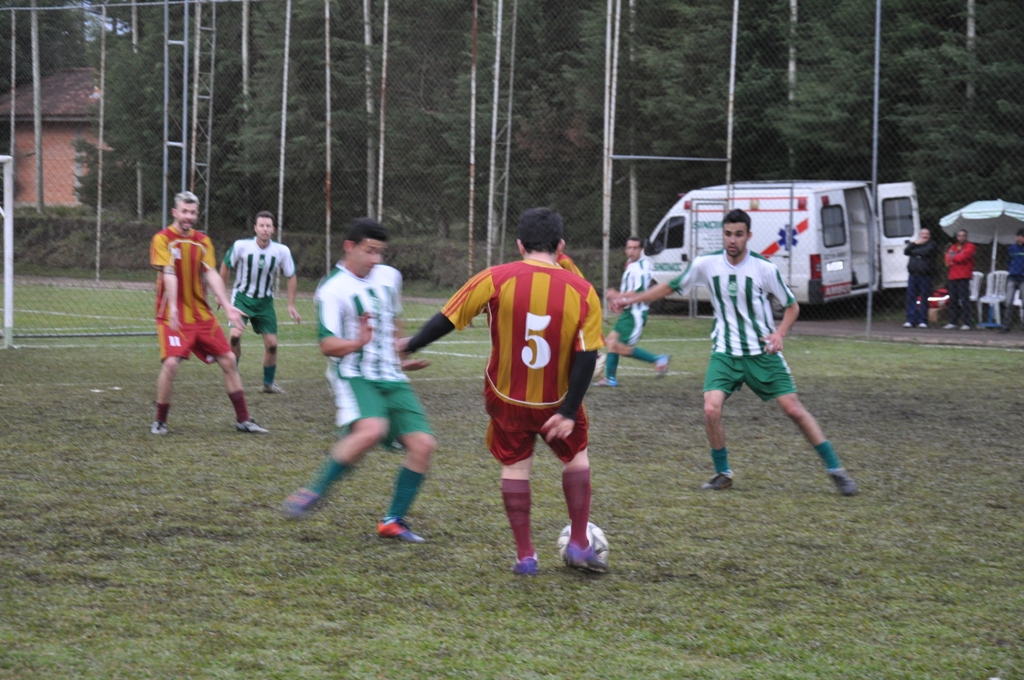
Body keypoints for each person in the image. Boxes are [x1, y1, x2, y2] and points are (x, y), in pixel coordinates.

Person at [401, 207, 608, 575]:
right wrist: (567, 409)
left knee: (515, 467)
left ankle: (526, 556)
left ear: (519, 244)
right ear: (560, 246)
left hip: (507, 397)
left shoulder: (495, 278)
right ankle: (578, 543)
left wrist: (411, 344)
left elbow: (448, 318)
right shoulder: (583, 291)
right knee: (576, 459)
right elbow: (587, 356)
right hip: (557, 399)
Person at [610, 208, 857, 496]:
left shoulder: (764, 268)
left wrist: (779, 334)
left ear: (748, 236)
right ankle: (723, 473)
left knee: (793, 409)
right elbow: (669, 286)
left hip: (761, 353)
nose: (732, 240)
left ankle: (835, 470)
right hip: (725, 353)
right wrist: (632, 299)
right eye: (728, 234)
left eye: (739, 234)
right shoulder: (706, 263)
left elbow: (792, 306)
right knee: (710, 408)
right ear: (723, 235)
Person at [281, 218, 436, 544]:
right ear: (349, 247)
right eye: (369, 251)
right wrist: (358, 342)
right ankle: (314, 491)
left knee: (423, 445)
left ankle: (393, 521)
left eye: (380, 252)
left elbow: (394, 319)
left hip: (391, 375)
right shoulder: (332, 289)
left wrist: (400, 356)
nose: (376, 259)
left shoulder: (390, 277)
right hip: (353, 373)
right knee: (372, 429)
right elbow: (327, 345)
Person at [149, 191, 268, 435]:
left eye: (193, 212)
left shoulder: (203, 241)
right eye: (184, 211)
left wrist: (227, 304)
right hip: (173, 317)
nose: (189, 217)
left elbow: (211, 273)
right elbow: (168, 272)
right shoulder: (162, 239)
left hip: (201, 316)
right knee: (171, 364)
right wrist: (172, 306)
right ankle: (160, 420)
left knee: (229, 360)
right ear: (175, 212)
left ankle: (244, 420)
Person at [219, 211, 301, 393]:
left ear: (273, 229)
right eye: (261, 226)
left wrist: (291, 304)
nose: (265, 229)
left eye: (268, 226)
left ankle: (268, 384)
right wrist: (221, 295)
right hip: (241, 299)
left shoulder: (281, 251)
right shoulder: (241, 246)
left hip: (265, 303)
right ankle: (233, 377)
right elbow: (226, 265)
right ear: (255, 228)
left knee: (272, 345)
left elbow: (291, 275)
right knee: (234, 337)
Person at [594, 237, 670, 386]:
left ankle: (657, 360)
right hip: (629, 311)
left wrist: (616, 296)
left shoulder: (640, 268)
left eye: (635, 248)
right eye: (629, 247)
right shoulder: (632, 265)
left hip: (635, 314)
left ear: (641, 249)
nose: (632, 251)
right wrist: (620, 302)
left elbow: (640, 292)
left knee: (617, 346)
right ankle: (610, 378)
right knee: (611, 341)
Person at [903, 227, 937, 329]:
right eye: (923, 234)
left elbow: (925, 252)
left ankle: (923, 320)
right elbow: (906, 251)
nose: (925, 236)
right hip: (913, 275)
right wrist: (914, 245)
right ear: (920, 235)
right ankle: (911, 320)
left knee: (924, 298)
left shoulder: (932, 245)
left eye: (927, 234)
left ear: (929, 236)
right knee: (911, 297)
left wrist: (915, 250)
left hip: (925, 275)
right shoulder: (915, 244)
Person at [944, 229, 976, 330]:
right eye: (959, 236)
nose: (961, 237)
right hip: (952, 276)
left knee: (964, 299)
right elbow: (947, 260)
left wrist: (954, 257)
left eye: (963, 236)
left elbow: (963, 258)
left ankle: (966, 322)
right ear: (957, 237)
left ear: (966, 237)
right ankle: (953, 321)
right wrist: (955, 257)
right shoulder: (953, 246)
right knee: (953, 299)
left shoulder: (970, 246)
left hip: (964, 276)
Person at [1001, 228, 1024, 332]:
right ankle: (1006, 325)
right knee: (1008, 302)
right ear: (1018, 237)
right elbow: (1008, 261)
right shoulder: (1012, 249)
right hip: (1013, 277)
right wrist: (1012, 270)